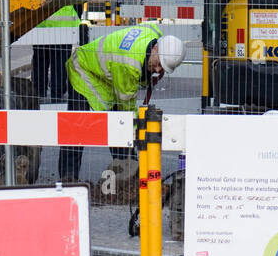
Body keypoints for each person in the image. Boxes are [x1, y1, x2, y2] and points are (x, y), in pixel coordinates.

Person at [58, 26, 186, 182]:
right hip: (83, 70)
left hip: (104, 74)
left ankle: (127, 172)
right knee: (77, 126)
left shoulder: (155, 34)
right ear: (155, 48)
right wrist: (136, 132)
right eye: (159, 63)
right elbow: (126, 108)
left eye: (163, 68)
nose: (158, 69)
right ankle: (68, 178)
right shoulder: (130, 64)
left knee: (117, 122)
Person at [32, 0, 81, 102]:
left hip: (41, 29)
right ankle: (57, 94)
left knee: (41, 62)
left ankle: (39, 92)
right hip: (64, 30)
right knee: (60, 63)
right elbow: (78, 2)